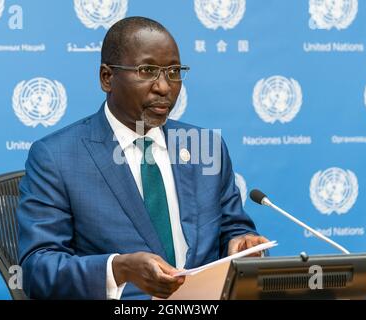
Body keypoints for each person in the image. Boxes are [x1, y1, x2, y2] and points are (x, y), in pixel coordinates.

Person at [17, 16, 269, 300]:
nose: (164, 87)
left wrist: (242, 243)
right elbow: (37, 269)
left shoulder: (205, 146)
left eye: (174, 72)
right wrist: (119, 268)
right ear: (107, 77)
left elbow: (233, 227)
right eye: (147, 70)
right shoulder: (57, 157)